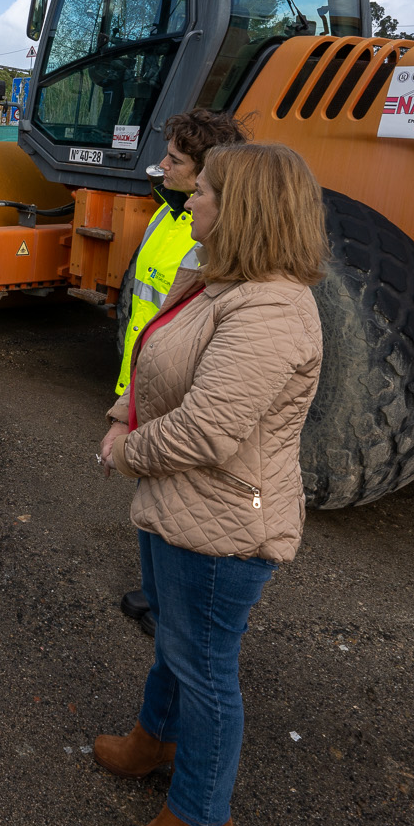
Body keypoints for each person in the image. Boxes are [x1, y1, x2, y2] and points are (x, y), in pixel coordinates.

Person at [91, 143, 326, 826]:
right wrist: (125, 412)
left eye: (207, 190)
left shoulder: (272, 309)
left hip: (224, 526)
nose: (189, 197)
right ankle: (155, 740)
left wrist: (126, 450)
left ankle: (199, 818)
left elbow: (205, 428)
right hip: (184, 507)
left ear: (245, 210)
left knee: (205, 670)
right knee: (177, 644)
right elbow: (157, 358)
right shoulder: (220, 284)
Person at [116, 109, 247, 639]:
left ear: (209, 174)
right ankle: (156, 589)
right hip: (145, 386)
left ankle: (170, 604)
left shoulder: (206, 236)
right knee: (153, 501)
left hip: (176, 396)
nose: (161, 167)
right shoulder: (169, 217)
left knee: (177, 501)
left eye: (174, 160)